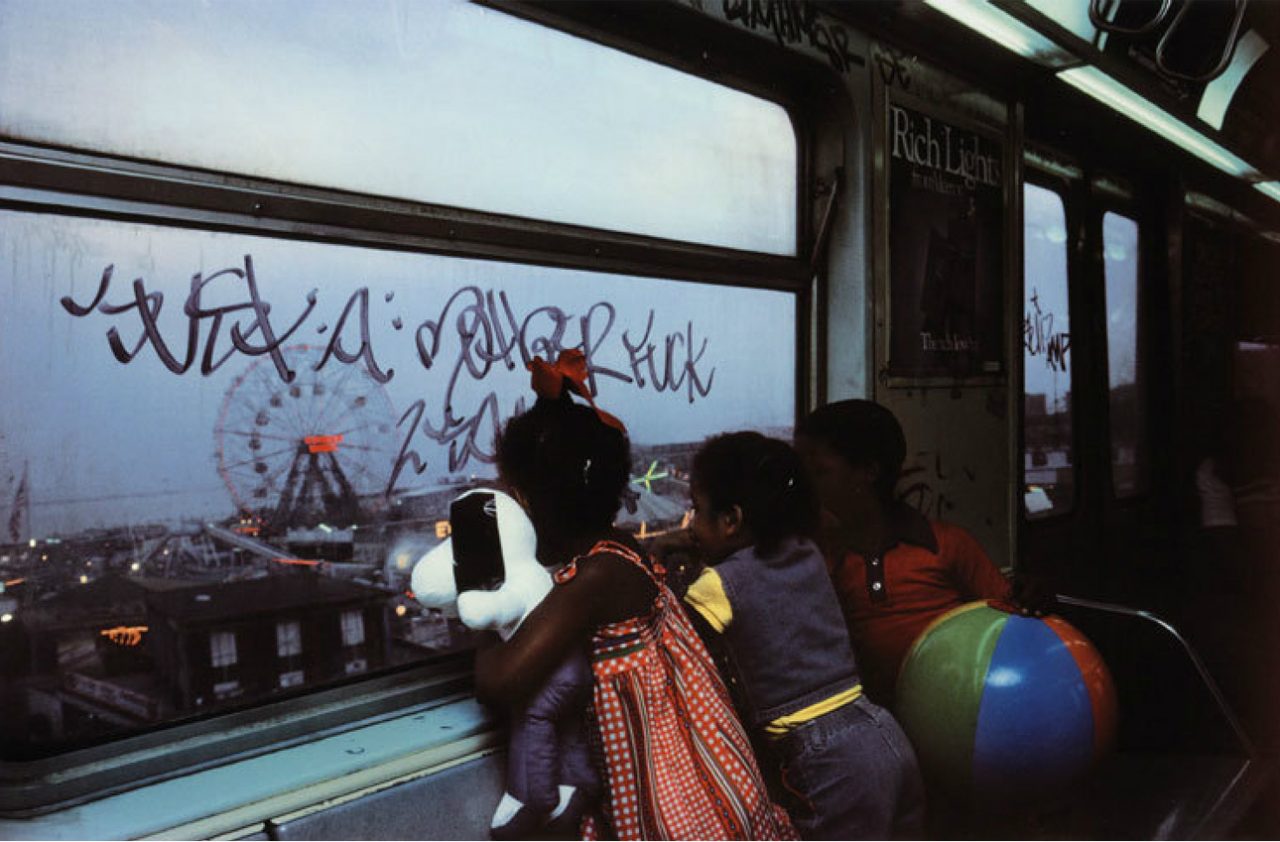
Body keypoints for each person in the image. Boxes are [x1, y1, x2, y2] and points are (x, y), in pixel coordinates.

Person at [473, 349, 796, 841]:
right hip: (703, 772)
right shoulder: (619, 550)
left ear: (529, 502)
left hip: (667, 792)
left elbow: (502, 679)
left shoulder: (595, 579)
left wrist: (480, 599)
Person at [679, 431, 925, 840]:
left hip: (824, 754)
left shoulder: (718, 585)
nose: (690, 526)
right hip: (882, 730)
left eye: (697, 511)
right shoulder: (805, 551)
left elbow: (675, 631)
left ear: (731, 520)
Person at [794, 399, 1012, 708]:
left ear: (867, 472)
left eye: (819, 473)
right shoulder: (816, 555)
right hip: (871, 714)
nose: (808, 487)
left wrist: (1030, 600)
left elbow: (1008, 619)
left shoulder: (944, 545)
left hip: (954, 711)